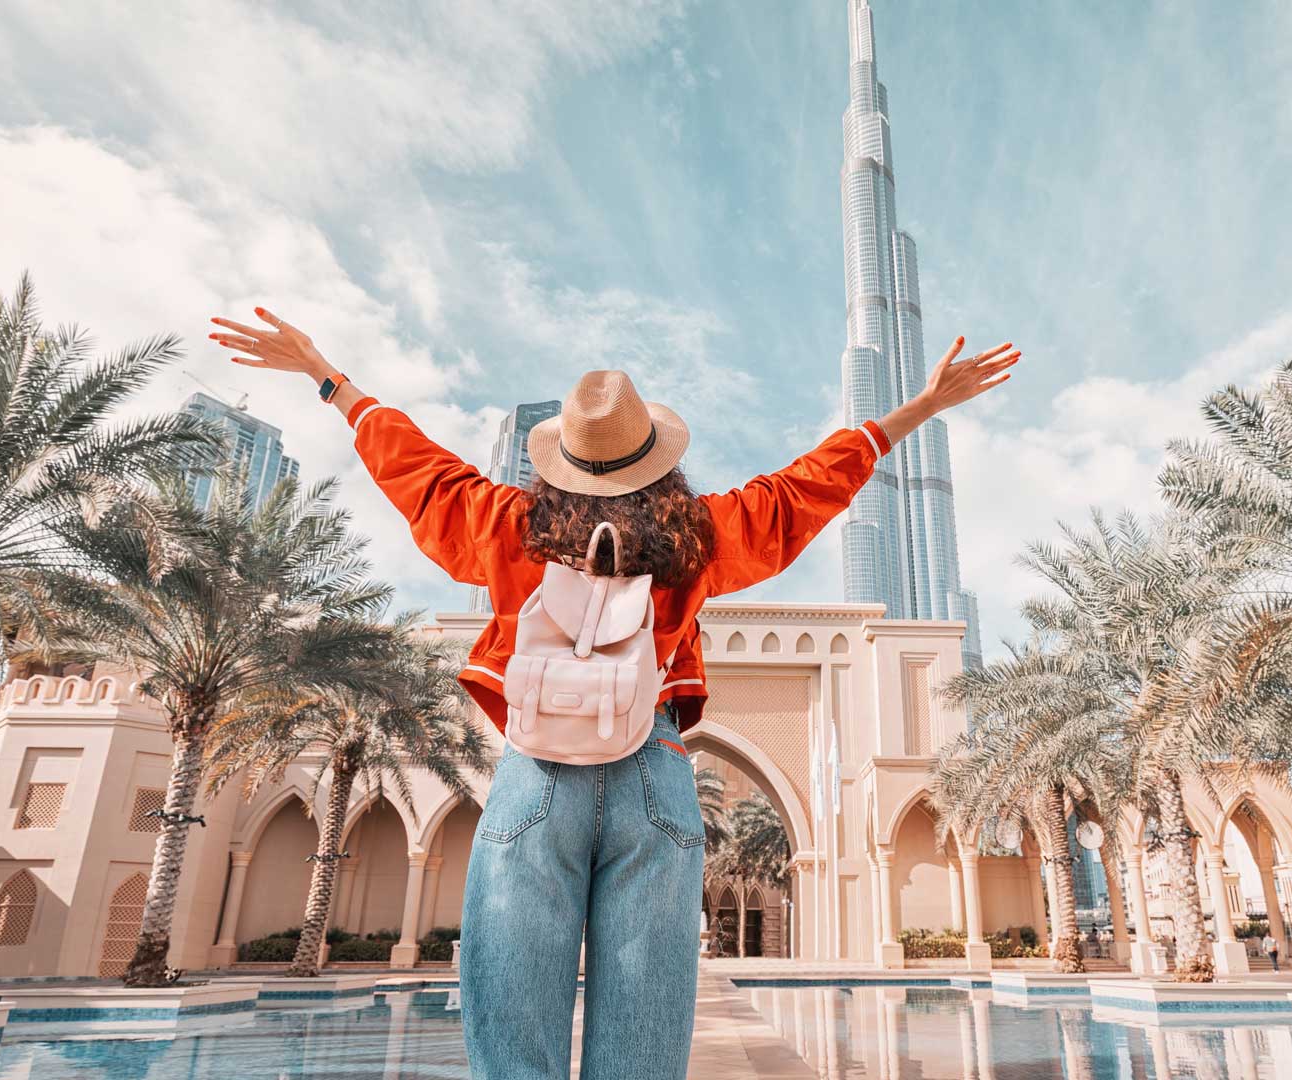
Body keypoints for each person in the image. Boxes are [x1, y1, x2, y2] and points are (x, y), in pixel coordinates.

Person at [210, 307, 1018, 1080]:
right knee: (642, 1041)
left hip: (536, 774)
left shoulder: (503, 522)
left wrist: (328, 376)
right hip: (655, 767)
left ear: (559, 459)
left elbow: (414, 464)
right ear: (656, 457)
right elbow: (808, 487)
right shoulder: (696, 534)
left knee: (513, 1032)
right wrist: (922, 405)